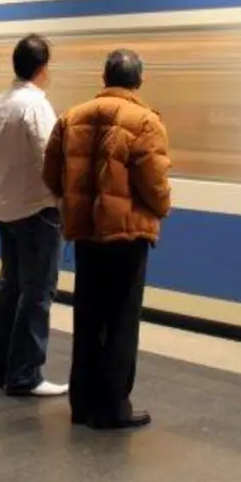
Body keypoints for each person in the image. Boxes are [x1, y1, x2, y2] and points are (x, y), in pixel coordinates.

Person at [43, 49, 172, 430]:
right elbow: (154, 185)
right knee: (120, 320)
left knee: (88, 316)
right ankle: (113, 406)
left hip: (86, 235)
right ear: (139, 81)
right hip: (127, 235)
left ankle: (82, 404)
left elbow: (51, 176)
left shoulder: (71, 116)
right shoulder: (147, 122)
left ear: (104, 78)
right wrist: (162, 207)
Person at [0, 35, 67, 397]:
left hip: (4, 208)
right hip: (36, 211)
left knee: (10, 288)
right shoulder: (35, 106)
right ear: (42, 67)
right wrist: (64, 198)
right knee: (37, 293)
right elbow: (50, 158)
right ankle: (24, 375)